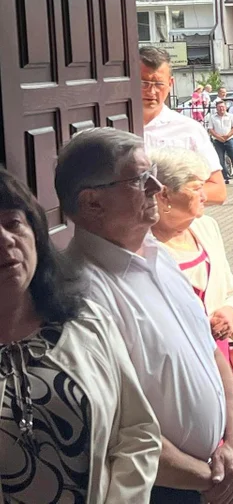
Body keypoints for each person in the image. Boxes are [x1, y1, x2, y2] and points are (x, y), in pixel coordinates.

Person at [55, 129, 233, 504]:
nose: (157, 186)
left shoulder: (157, 253)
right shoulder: (81, 292)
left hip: (217, 470)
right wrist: (209, 480)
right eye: (140, 179)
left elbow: (209, 351)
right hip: (161, 489)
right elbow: (115, 427)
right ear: (92, 203)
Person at [0, 167, 161, 503]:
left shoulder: (86, 322)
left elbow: (137, 433)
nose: (5, 240)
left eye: (13, 223)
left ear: (35, 232)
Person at [151, 147, 233, 348]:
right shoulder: (143, 246)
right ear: (164, 195)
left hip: (218, 355)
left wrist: (231, 313)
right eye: (196, 188)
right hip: (175, 362)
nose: (205, 196)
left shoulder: (207, 227)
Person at [140, 47, 226, 205]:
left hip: (177, 228)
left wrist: (174, 195)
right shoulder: (112, 128)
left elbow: (218, 190)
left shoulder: (189, 130)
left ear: (170, 83)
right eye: (144, 83)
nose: (151, 91)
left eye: (159, 84)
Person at [206, 101, 233, 186]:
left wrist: (226, 136)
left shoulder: (231, 116)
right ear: (216, 108)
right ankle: (225, 177)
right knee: (221, 160)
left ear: (225, 107)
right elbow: (211, 129)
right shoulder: (212, 117)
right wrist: (218, 137)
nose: (221, 108)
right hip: (218, 141)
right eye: (219, 107)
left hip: (229, 140)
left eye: (222, 107)